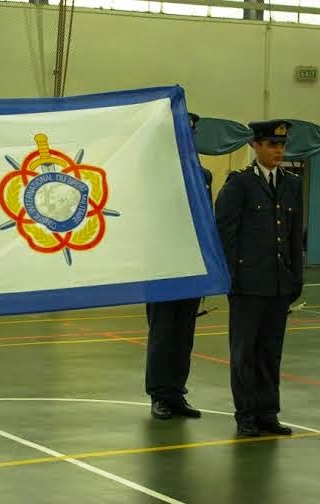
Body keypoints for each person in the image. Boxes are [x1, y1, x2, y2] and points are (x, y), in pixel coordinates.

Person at [214, 120, 303, 437]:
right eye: (272, 145)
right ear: (255, 146)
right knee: (245, 353)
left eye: (281, 145)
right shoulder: (240, 184)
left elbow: (294, 237)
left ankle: (268, 412)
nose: (279, 150)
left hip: (279, 284)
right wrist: (231, 279)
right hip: (247, 285)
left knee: (270, 351)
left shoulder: (292, 184)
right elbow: (225, 235)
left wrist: (296, 279)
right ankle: (246, 414)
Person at [145, 112, 212, 420]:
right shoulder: (151, 175)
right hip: (160, 266)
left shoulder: (203, 175)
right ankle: (159, 394)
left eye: (192, 133)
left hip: (191, 265)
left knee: (184, 332)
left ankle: (176, 392)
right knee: (162, 332)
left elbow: (206, 223)